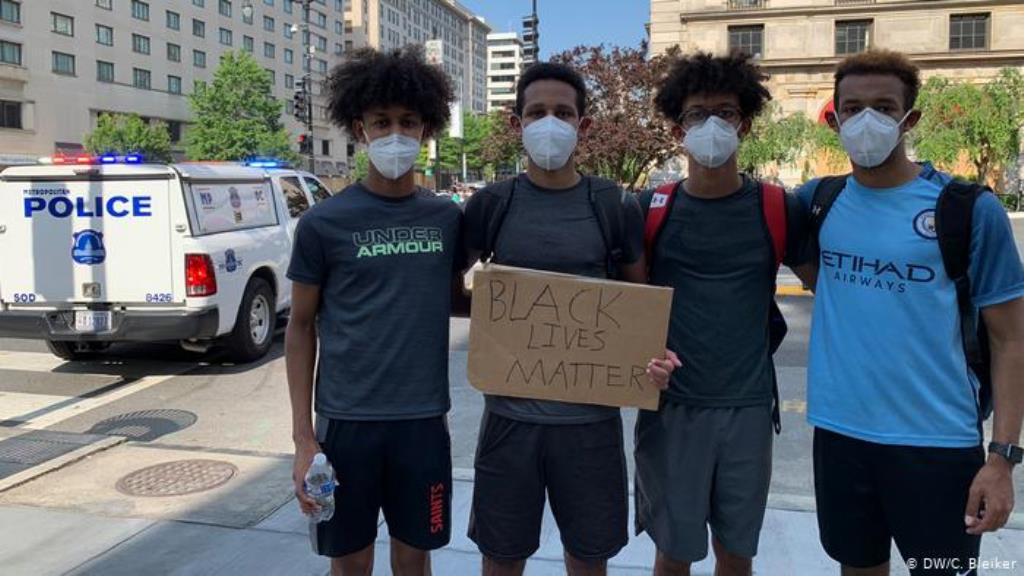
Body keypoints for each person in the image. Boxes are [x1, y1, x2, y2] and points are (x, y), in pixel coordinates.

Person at [795, 49, 1024, 576]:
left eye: (883, 106)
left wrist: (1002, 459)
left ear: (909, 118)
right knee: (858, 567)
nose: (866, 119)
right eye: (853, 107)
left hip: (937, 444)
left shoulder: (967, 210)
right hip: (840, 436)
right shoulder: (818, 201)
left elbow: (1011, 340)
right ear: (834, 118)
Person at [462, 62, 680, 576]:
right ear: (516, 125)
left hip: (591, 426)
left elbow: (638, 302)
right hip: (509, 423)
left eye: (563, 113)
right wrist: (499, 318)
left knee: (588, 559)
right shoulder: (493, 203)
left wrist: (654, 357)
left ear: (583, 126)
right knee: (501, 558)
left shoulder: (613, 204)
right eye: (536, 112)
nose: (549, 123)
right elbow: (451, 291)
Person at [285, 47, 465, 576]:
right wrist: (303, 439)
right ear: (359, 129)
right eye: (381, 122)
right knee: (350, 564)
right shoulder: (324, 223)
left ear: (427, 129)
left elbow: (465, 298)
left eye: (408, 122)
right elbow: (299, 327)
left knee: (415, 561)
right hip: (345, 426)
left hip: (423, 424)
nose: (395, 134)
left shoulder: (446, 219)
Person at [634, 51, 815, 576]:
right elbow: (626, 310)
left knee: (737, 553)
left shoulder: (779, 208)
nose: (711, 125)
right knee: (673, 553)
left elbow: (834, 289)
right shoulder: (650, 210)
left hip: (749, 409)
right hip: (671, 411)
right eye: (696, 114)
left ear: (746, 123)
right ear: (676, 129)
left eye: (726, 112)